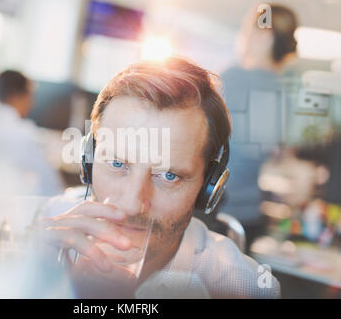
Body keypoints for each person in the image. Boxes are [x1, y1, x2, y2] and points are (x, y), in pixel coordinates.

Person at [33, 56, 280, 298]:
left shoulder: (245, 287)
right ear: (89, 160)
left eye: (169, 175)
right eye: (117, 163)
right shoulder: (42, 231)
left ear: (208, 188)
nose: (132, 204)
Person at [218, 4, 299, 240]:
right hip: (249, 215)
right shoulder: (283, 91)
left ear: (265, 36)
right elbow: (263, 151)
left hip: (216, 210)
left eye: (246, 31)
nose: (242, 38)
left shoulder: (232, 79)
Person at [0, 70, 64, 196]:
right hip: (7, 202)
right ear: (17, 96)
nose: (31, 103)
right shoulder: (23, 133)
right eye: (30, 96)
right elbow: (50, 184)